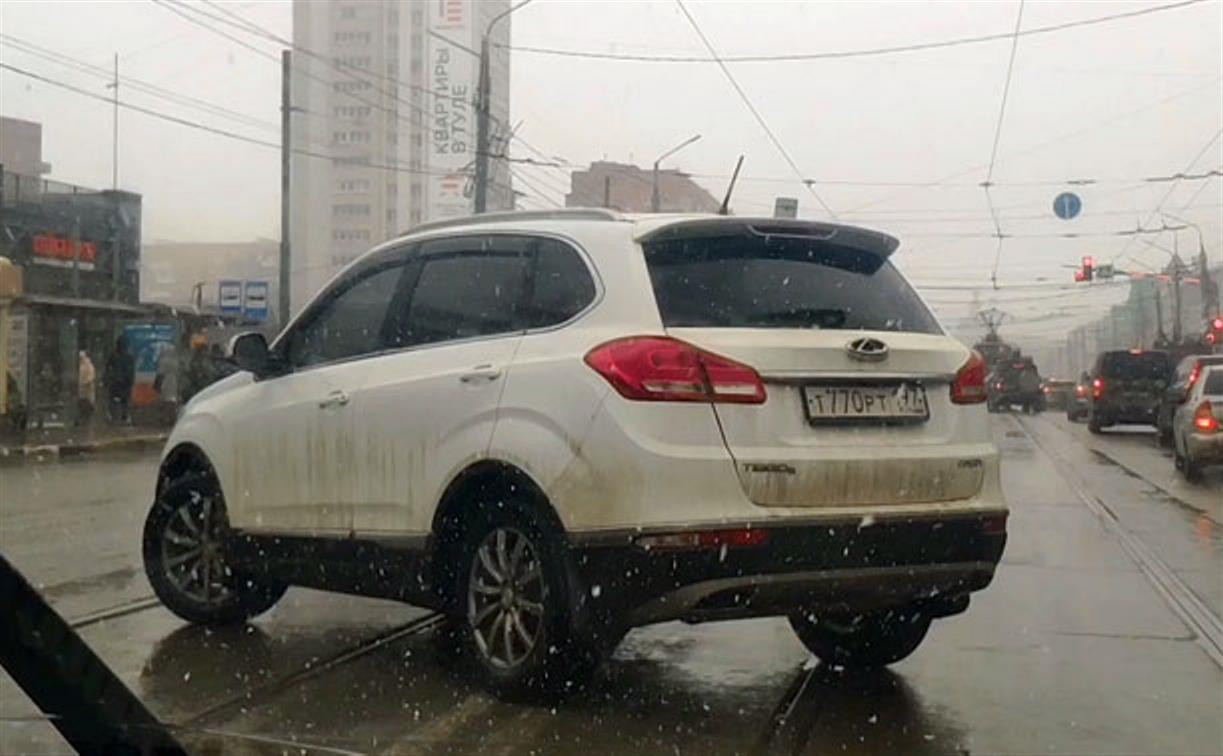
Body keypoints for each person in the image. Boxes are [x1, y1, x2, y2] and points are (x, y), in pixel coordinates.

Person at [104, 336, 134, 424]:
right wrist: (131, 380)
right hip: (125, 382)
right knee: (125, 401)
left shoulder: (114, 355)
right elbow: (131, 370)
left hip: (115, 381)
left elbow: (108, 367)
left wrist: (108, 378)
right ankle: (124, 416)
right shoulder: (128, 356)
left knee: (113, 400)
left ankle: (113, 416)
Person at [77, 350, 96, 427]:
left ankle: (86, 417)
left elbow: (91, 376)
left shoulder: (87, 365)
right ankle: (84, 417)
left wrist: (85, 382)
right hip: (83, 388)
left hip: (87, 388)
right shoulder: (82, 365)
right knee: (84, 402)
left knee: (87, 401)